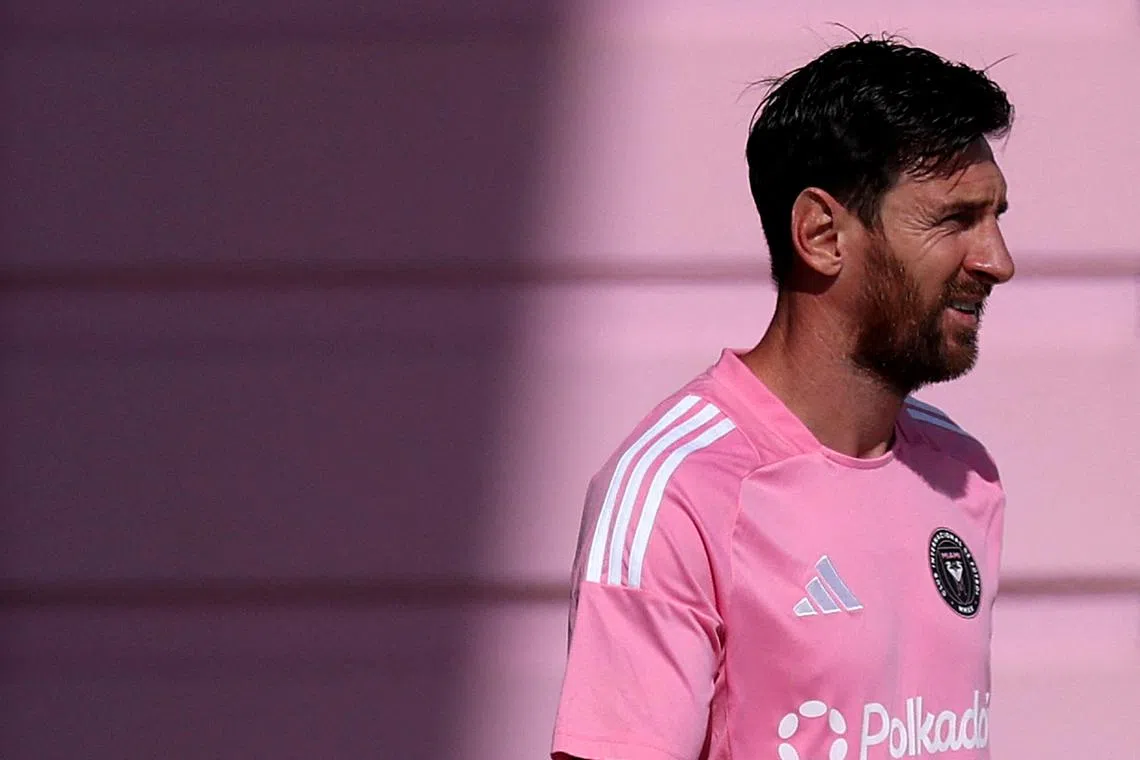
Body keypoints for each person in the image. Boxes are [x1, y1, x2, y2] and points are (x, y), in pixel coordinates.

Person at [551, 36, 1014, 760]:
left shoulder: (965, 474)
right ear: (822, 234)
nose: (997, 261)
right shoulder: (676, 491)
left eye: (996, 218)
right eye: (954, 221)